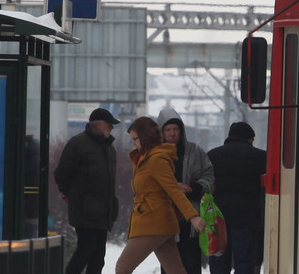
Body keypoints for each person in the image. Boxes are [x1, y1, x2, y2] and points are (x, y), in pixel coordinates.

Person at [116, 117, 206, 274]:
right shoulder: (144, 159)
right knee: (176, 271)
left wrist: (193, 217)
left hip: (153, 222)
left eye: (135, 139)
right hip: (158, 222)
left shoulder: (156, 159)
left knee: (123, 267)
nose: (133, 143)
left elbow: (174, 191)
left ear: (145, 137)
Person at [54, 108, 120, 274]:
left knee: (99, 257)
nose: (112, 128)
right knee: (86, 251)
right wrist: (67, 193)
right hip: (85, 211)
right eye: (109, 124)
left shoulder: (110, 150)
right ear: (98, 125)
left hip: (103, 212)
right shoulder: (78, 144)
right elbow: (62, 173)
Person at [155, 108, 216, 274]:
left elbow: (210, 178)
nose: (173, 133)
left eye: (175, 129)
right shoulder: (155, 155)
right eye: (168, 130)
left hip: (191, 221)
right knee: (169, 267)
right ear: (161, 132)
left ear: (181, 130)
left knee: (191, 265)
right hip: (166, 220)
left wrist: (194, 188)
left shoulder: (195, 152)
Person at [207, 122, 267, 274]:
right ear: (249, 139)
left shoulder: (213, 155)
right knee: (244, 261)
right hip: (246, 220)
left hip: (218, 220)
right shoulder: (260, 157)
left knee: (219, 260)